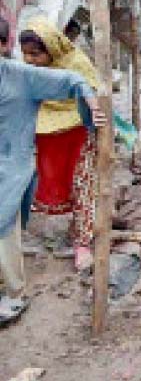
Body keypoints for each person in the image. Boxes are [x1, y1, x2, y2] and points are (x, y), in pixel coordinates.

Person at [0, 16, 104, 325]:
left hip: (14, 163)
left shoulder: (21, 76)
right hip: (36, 144)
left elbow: (74, 82)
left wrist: (90, 102)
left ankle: (15, 293)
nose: (32, 58)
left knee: (4, 224)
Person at [19, 18, 100, 272]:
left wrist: (95, 111)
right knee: (34, 181)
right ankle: (19, 236)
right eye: (26, 54)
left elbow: (91, 92)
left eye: (36, 54)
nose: (30, 60)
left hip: (78, 132)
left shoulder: (76, 64)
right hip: (46, 134)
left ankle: (83, 243)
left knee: (82, 184)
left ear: (51, 49)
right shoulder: (28, 73)